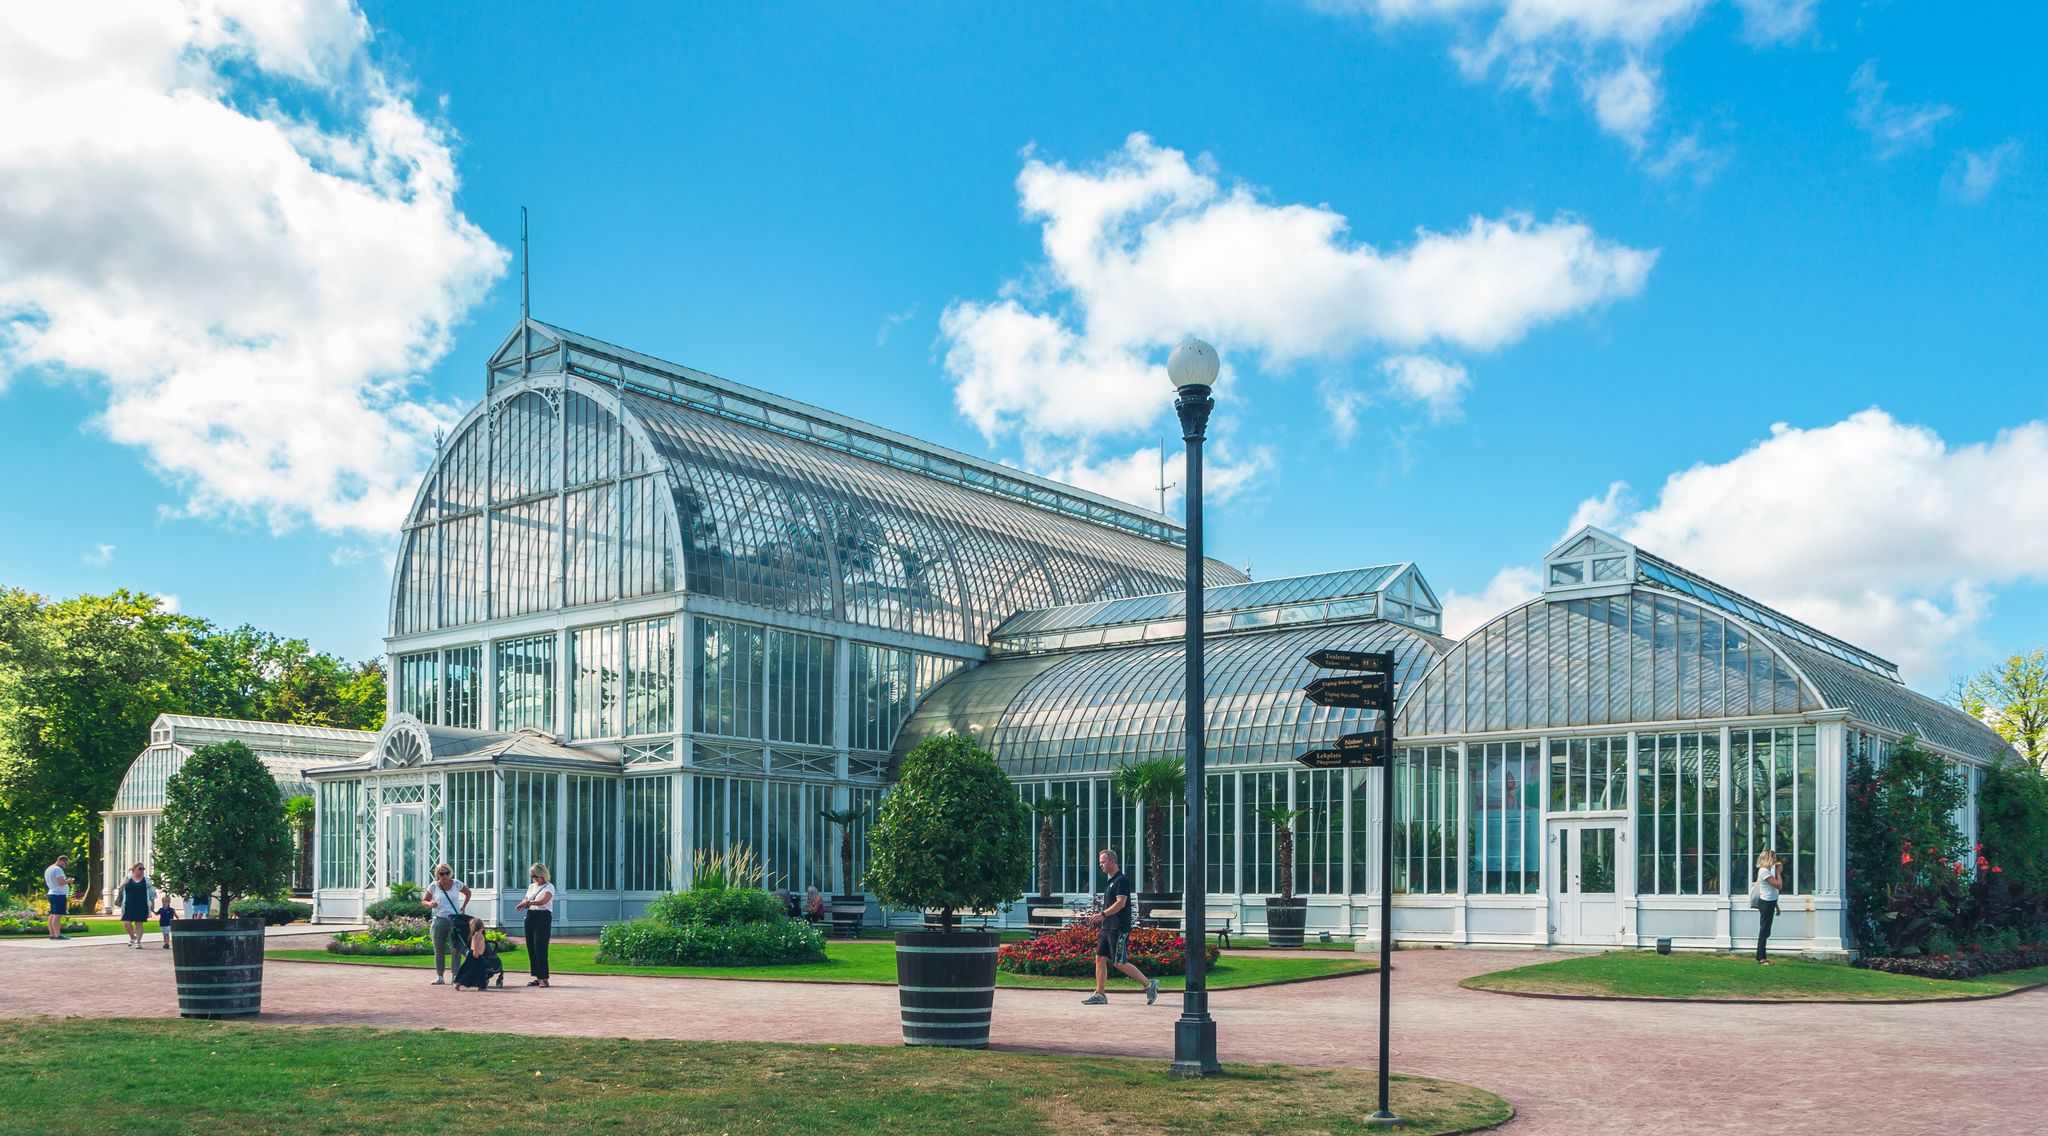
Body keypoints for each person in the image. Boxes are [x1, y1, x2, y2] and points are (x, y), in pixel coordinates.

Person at [1081, 848, 1158, 1006]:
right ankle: (1100, 994)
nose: (1100, 865)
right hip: (1107, 927)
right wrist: (1102, 919)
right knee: (1100, 958)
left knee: (1119, 962)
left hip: (1118, 928)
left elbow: (1121, 903)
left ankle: (1150, 985)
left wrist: (1102, 914)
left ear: (1112, 862)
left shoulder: (1121, 880)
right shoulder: (1111, 881)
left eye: (1103, 862)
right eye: (1100, 862)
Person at [421, 863, 472, 986]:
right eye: (441, 873)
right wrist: (430, 903)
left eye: (446, 873)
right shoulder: (434, 886)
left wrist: (463, 906)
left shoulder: (456, 884)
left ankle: (455, 975)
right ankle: (440, 976)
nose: (444, 876)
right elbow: (424, 900)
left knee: (456, 949)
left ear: (450, 873)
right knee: (439, 949)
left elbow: (468, 892)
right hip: (440, 920)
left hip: (454, 920)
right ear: (437, 875)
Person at [513, 861, 555, 988]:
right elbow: (527, 899)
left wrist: (528, 903)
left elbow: (543, 901)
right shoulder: (532, 887)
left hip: (543, 917)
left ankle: (544, 978)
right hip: (531, 916)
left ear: (542, 874)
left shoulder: (549, 887)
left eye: (536, 876)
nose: (534, 878)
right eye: (532, 876)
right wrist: (523, 903)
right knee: (531, 947)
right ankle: (537, 976)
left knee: (540, 947)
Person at [451, 916, 503, 990]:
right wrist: (476, 952)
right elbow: (475, 944)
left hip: (477, 954)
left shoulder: (477, 934)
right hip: (476, 955)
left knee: (478, 970)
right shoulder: (478, 935)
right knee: (476, 970)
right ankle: (462, 983)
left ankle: (480, 985)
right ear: (481, 926)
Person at [1754, 849, 1784, 965]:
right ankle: (1761, 957)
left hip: (1770, 902)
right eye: (1774, 858)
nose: (1776, 860)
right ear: (1768, 859)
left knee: (1766, 931)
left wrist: (1776, 905)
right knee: (1764, 930)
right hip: (1766, 903)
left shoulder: (1767, 870)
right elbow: (1778, 885)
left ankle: (1762, 956)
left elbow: (1773, 891)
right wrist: (1779, 872)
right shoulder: (1764, 871)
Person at [116, 864, 152, 948]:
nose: (142, 870)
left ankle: (138, 942)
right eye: (140, 869)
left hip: (141, 904)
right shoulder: (127, 879)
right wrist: (123, 884)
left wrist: (152, 902)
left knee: (139, 923)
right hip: (128, 904)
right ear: (134, 869)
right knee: (126, 923)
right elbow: (119, 888)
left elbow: (151, 892)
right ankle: (133, 937)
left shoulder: (146, 880)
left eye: (143, 869)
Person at [43, 855, 72, 940]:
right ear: (61, 861)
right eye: (65, 864)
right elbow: (61, 882)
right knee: (57, 915)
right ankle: (57, 935)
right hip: (59, 894)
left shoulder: (49, 869)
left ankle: (52, 934)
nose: (65, 866)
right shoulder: (58, 869)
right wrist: (68, 881)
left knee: (52, 914)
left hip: (52, 893)